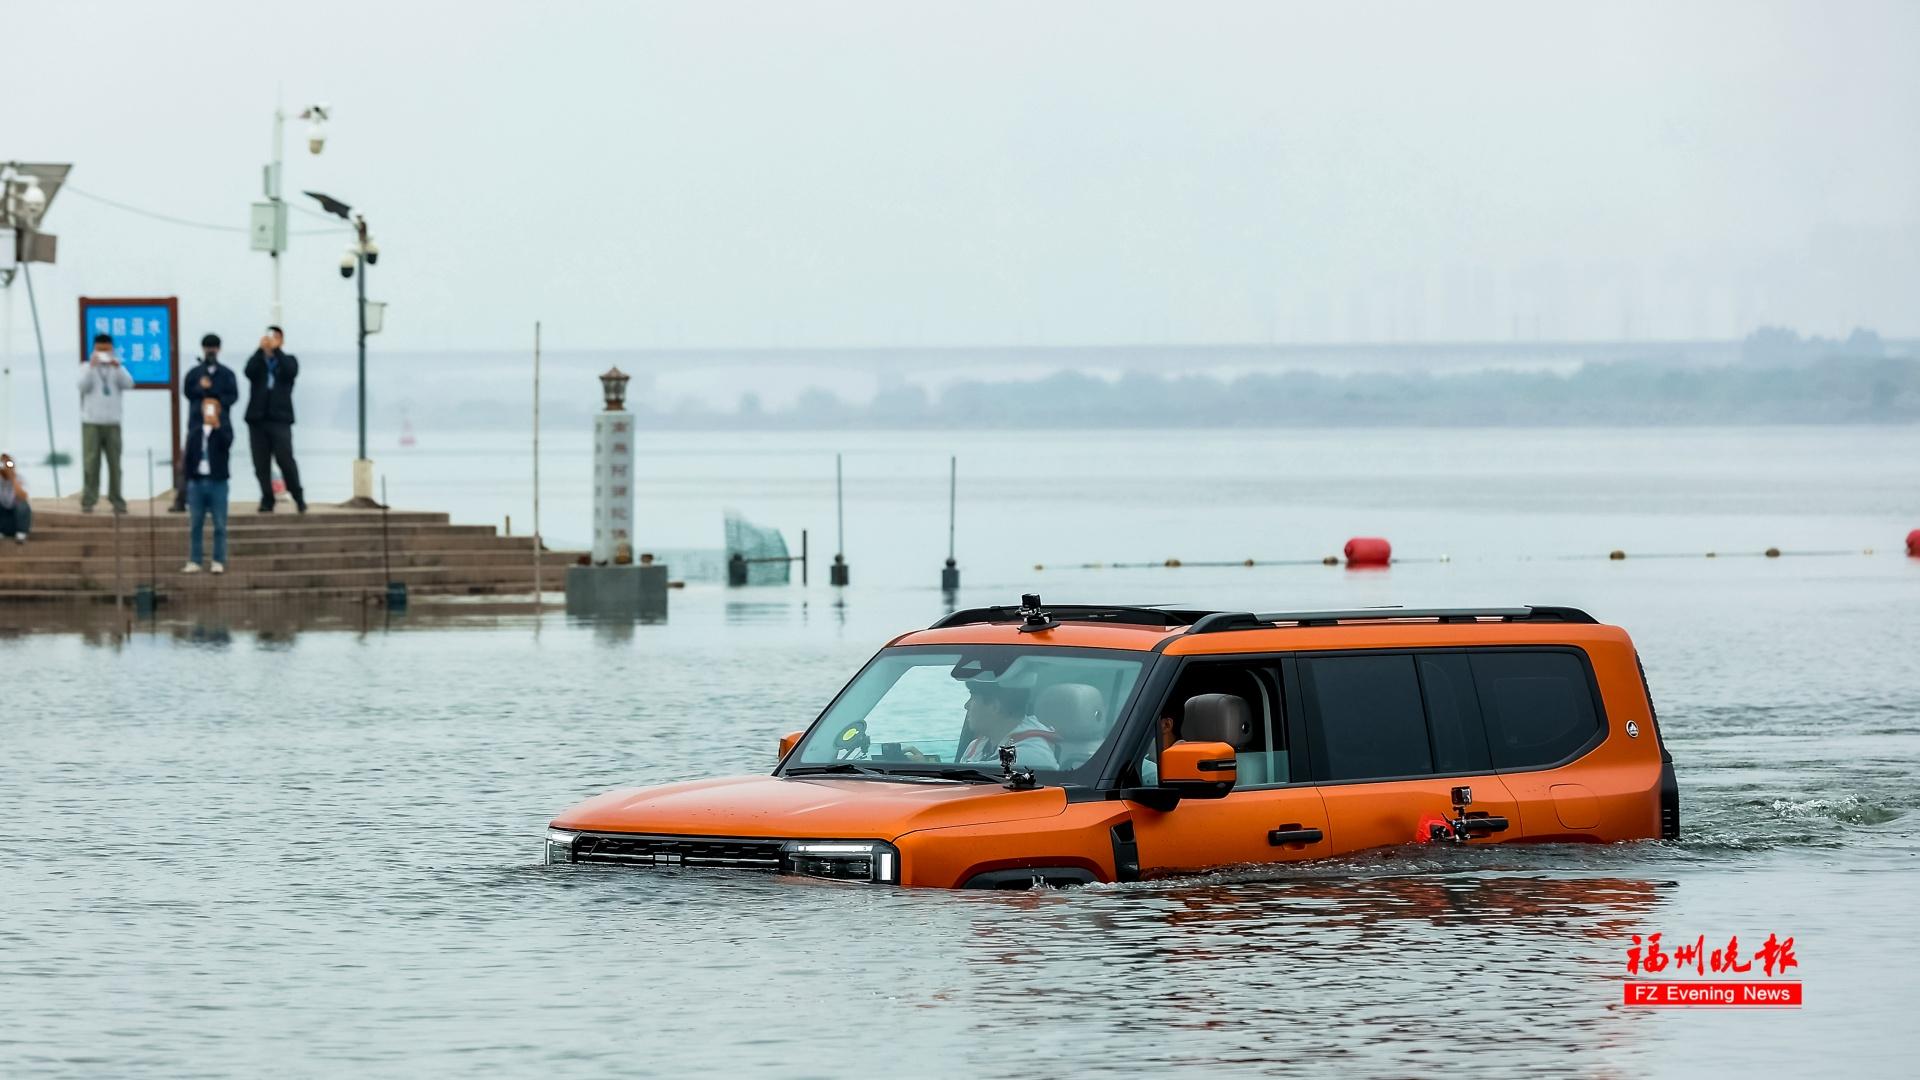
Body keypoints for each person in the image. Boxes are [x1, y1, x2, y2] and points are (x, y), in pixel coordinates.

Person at [243, 325, 305, 513]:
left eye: (276, 338)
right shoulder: (258, 361)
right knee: (261, 463)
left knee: (285, 459)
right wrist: (260, 350)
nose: (271, 342)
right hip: (257, 419)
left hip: (280, 419)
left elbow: (290, 371)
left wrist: (277, 351)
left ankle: (298, 495)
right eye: (269, 338)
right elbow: (248, 372)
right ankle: (267, 498)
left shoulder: (288, 360)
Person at [175, 333, 239, 512]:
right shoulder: (195, 373)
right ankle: (182, 499)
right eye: (208, 347)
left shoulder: (226, 373)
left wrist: (216, 398)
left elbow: (233, 396)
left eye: (214, 347)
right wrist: (200, 387)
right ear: (203, 349)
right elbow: (188, 392)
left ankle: (215, 500)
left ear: (219, 349)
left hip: (219, 423)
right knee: (190, 460)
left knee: (219, 458)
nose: (211, 351)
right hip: (197, 422)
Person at [79, 332, 134, 514]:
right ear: (94, 349)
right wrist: (92, 366)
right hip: (91, 422)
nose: (103, 353)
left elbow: (129, 384)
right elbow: (82, 386)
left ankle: (117, 499)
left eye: (106, 349)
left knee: (115, 464)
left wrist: (118, 367)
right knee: (91, 463)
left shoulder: (117, 368)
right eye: (100, 349)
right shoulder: (86, 367)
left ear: (112, 350)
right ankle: (89, 499)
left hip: (113, 423)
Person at [181, 397, 234, 574]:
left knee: (219, 524)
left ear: (218, 411)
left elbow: (227, 444)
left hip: (218, 482)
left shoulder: (224, 430)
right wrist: (188, 480)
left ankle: (218, 559)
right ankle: (195, 560)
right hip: (197, 482)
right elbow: (188, 457)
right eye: (206, 409)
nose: (209, 412)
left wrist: (217, 426)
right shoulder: (195, 432)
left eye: (212, 409)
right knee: (196, 524)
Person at [0, 453, 29, 544]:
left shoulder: (20, 478)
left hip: (16, 521)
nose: (5, 467)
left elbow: (23, 496)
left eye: (8, 463)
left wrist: (12, 478)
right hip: (3, 520)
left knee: (22, 504)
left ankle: (21, 533)